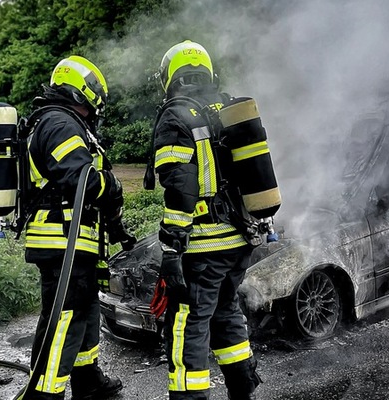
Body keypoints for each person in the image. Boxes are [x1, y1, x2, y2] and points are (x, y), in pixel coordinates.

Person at [151, 40, 263, 400]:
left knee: (187, 325)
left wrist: (171, 248)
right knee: (227, 314)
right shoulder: (226, 109)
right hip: (238, 241)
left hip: (202, 245)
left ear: (171, 76)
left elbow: (182, 185)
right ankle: (243, 391)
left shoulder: (177, 114)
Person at [20, 55, 133, 400]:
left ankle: (87, 380)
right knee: (64, 318)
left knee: (85, 310)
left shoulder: (65, 122)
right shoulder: (59, 122)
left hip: (76, 237)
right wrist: (112, 184)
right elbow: (80, 179)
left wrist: (116, 228)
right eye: (96, 92)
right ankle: (44, 393)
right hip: (61, 237)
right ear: (82, 90)